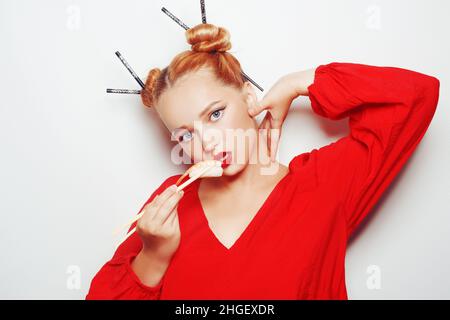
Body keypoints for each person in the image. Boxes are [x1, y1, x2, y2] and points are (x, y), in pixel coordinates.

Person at [86, 23, 440, 299]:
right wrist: (154, 257)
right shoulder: (171, 204)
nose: (206, 142)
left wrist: (297, 83)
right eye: (185, 135)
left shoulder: (322, 185)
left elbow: (414, 97)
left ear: (248, 97)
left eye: (215, 114)